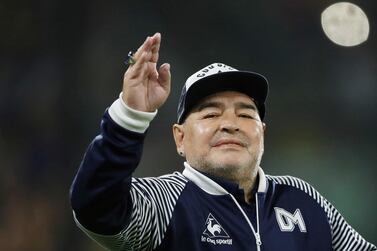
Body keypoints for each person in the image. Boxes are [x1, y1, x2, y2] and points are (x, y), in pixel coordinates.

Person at [70, 32, 376, 251]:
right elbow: (96, 206)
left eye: (245, 115)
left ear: (262, 134)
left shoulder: (302, 200)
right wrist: (130, 117)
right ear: (180, 138)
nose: (230, 124)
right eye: (210, 114)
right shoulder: (165, 202)